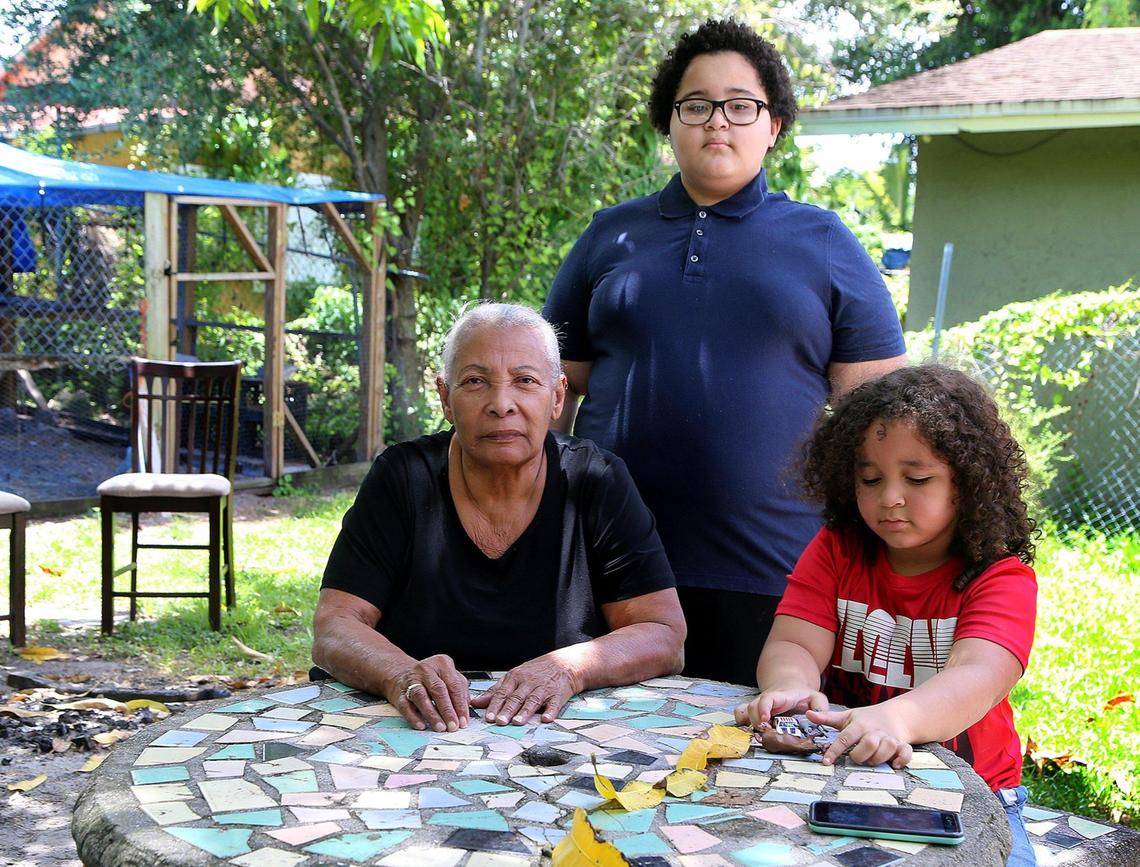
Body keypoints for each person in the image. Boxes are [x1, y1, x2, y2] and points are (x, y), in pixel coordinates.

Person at [543, 18, 906, 686]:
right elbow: (550, 394)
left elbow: (881, 418)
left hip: (775, 577)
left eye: (742, 106)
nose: (718, 122)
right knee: (596, 766)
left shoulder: (823, 241)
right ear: (669, 123)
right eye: (696, 105)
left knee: (750, 771)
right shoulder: (609, 235)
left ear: (773, 126)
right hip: (607, 570)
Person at [313, 303, 686, 733]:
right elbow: (335, 627)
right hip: (415, 731)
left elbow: (663, 633)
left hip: (556, 740)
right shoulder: (402, 477)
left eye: (525, 381)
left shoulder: (596, 480)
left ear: (557, 396)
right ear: (445, 398)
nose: (501, 404)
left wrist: (566, 668)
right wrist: (400, 674)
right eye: (475, 381)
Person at [733, 364, 1038, 866]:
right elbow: (794, 643)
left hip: (976, 795)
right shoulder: (837, 549)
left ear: (968, 483)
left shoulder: (1000, 578)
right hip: (842, 772)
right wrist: (789, 686)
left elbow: (978, 676)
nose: (889, 498)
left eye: (917, 478)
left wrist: (895, 718)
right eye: (870, 478)